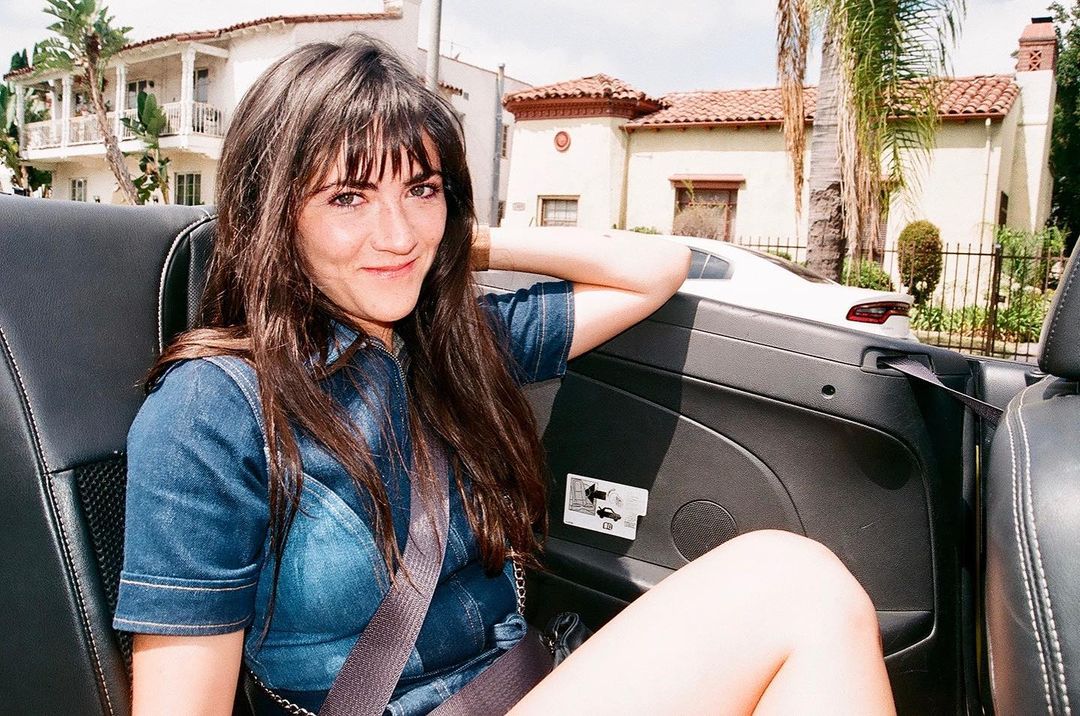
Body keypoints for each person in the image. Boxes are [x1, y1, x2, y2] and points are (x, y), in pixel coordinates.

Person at [114, 34, 895, 716]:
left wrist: (460, 241)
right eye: (348, 197)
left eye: (421, 189)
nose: (397, 233)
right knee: (797, 588)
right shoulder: (210, 409)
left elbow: (656, 268)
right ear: (274, 215)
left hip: (530, 685)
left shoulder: (457, 343)